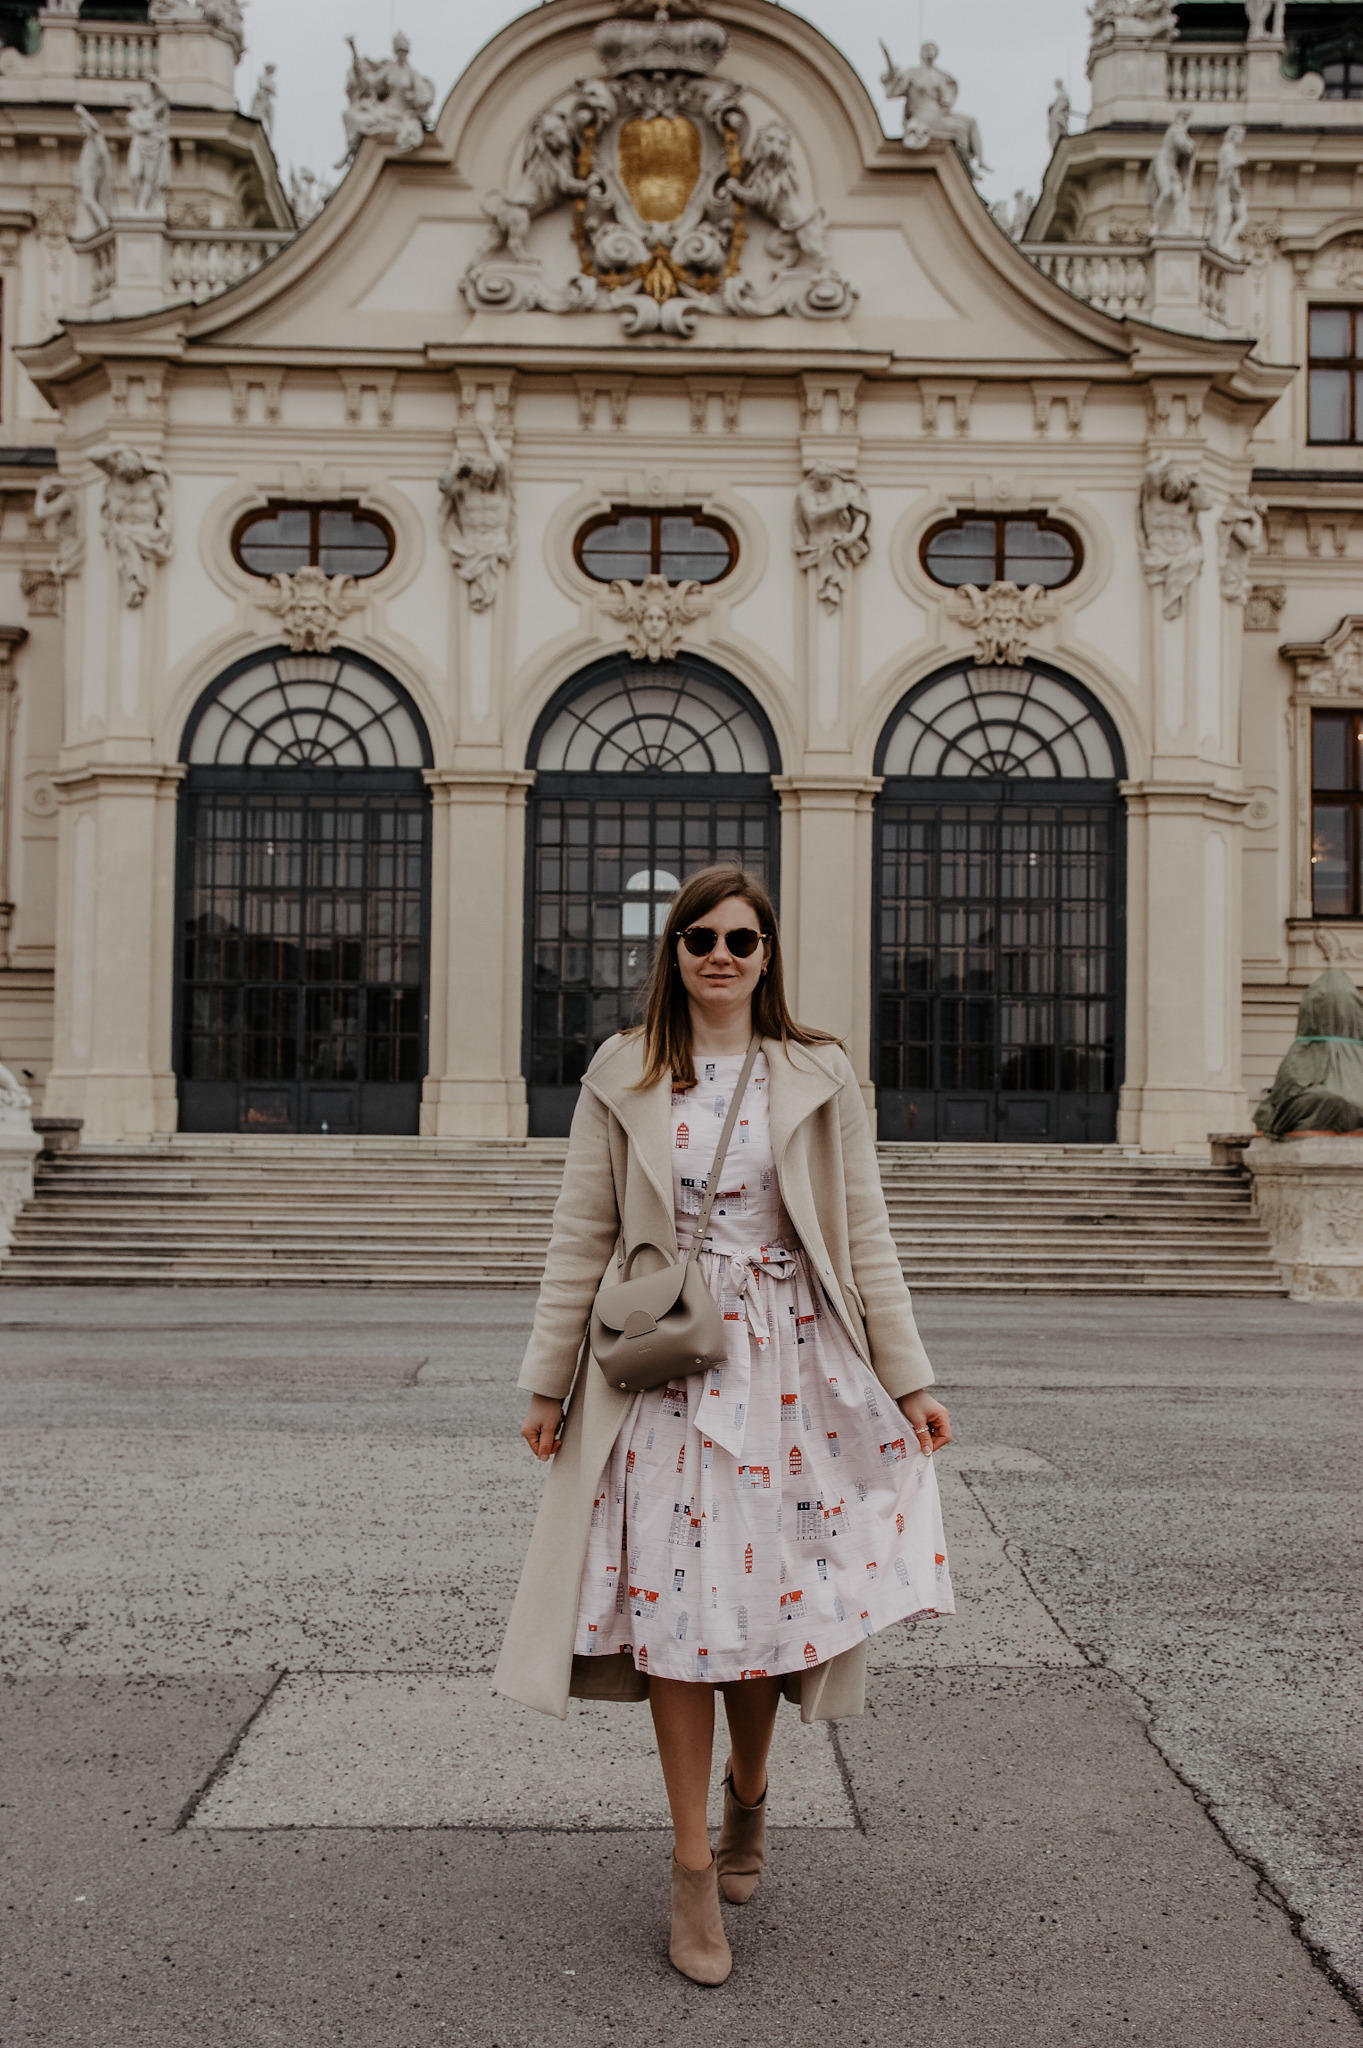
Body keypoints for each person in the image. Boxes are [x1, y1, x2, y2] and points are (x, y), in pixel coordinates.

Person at [495, 863, 953, 1985]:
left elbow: (864, 1231)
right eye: (697, 935)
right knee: (680, 1615)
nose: (719, 953)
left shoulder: (817, 1071)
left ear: (767, 954)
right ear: (672, 949)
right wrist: (545, 1383)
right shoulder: (623, 1070)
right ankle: (691, 1863)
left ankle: (752, 1789)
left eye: (740, 939)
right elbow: (578, 1236)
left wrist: (910, 1377)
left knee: (768, 1609)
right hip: (665, 1371)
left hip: (795, 1366)